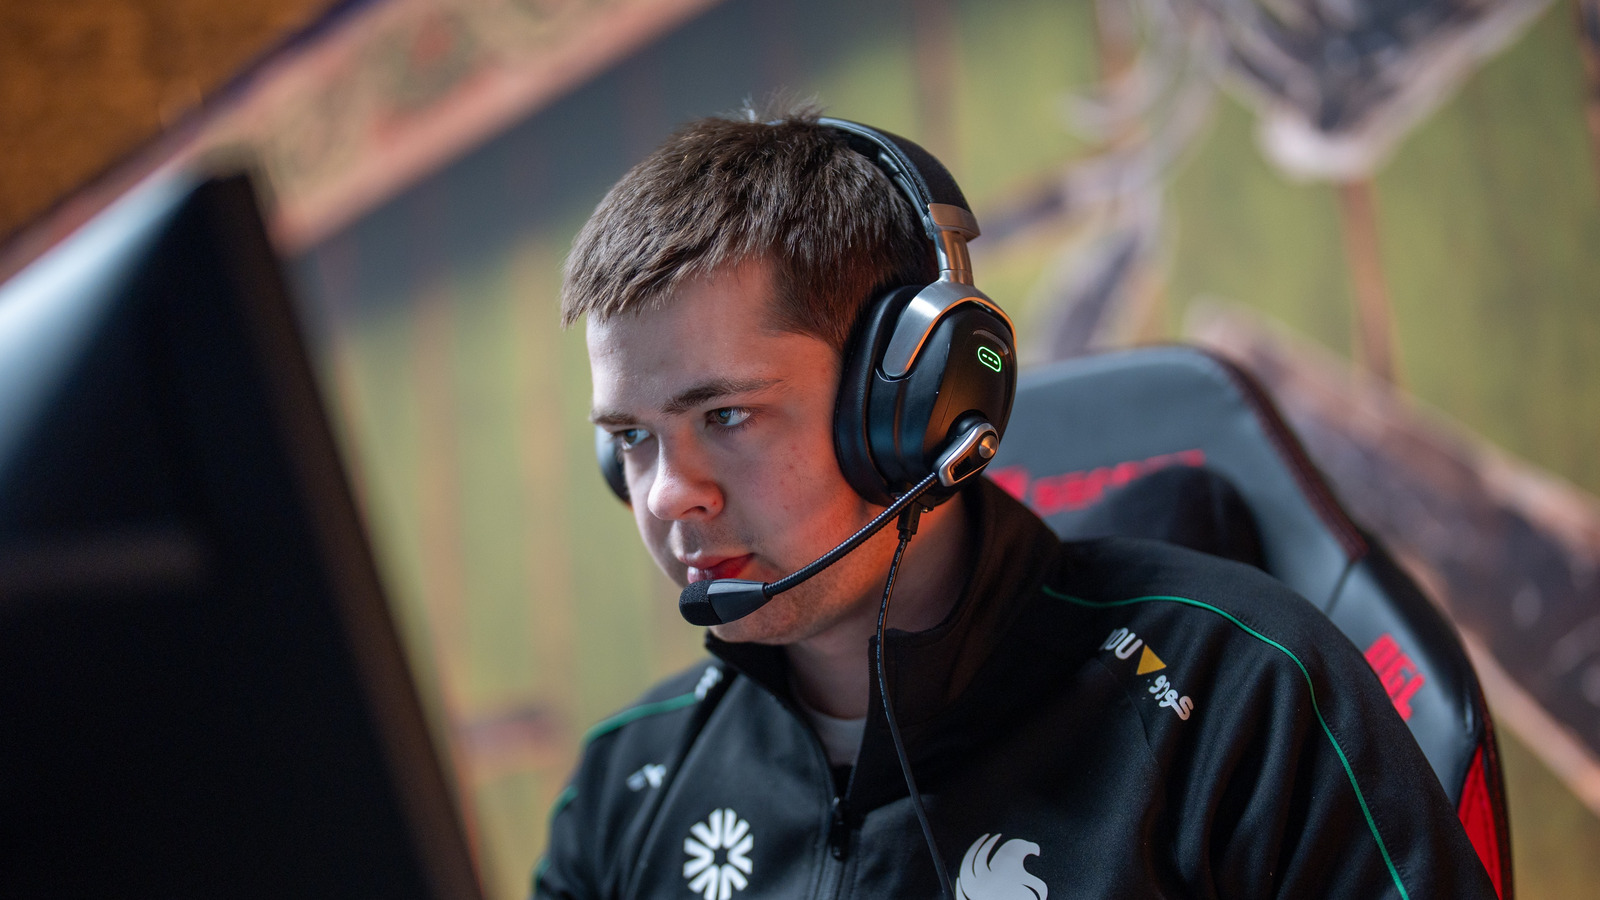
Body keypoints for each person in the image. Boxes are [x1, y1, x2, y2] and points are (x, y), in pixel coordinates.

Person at [532, 107, 1495, 899]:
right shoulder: (626, 783)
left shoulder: (1244, 695)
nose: (669, 493)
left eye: (728, 415)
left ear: (908, 403)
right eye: (632, 437)